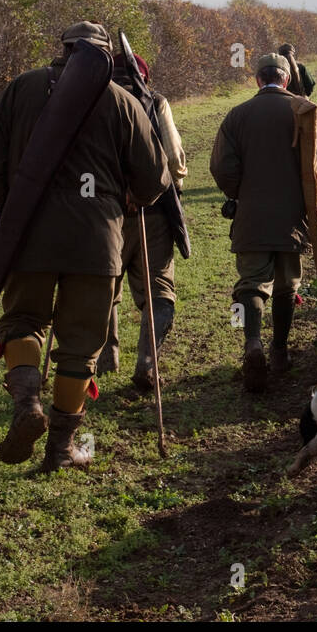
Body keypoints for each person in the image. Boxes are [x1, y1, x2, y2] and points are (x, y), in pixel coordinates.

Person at [0, 21, 172, 472]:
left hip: (28, 235)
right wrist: (130, 199)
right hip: (97, 240)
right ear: (104, 56)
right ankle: (60, 450)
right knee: (81, 347)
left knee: (23, 322)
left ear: (62, 49)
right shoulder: (123, 102)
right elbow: (155, 178)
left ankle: (27, 404)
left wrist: (8, 210)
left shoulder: (20, 88)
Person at [210, 53, 317, 393]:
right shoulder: (305, 111)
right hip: (293, 220)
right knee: (286, 287)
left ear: (257, 79)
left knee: (251, 284)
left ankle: (252, 344)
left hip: (251, 217)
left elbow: (222, 168)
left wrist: (240, 192)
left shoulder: (237, 115)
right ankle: (279, 353)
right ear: (286, 79)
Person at [96, 52, 188, 391]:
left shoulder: (90, 102)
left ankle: (108, 356)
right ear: (143, 77)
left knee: (105, 286)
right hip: (153, 216)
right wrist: (173, 187)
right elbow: (174, 159)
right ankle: (147, 363)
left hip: (105, 216)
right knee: (159, 292)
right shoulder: (155, 102)